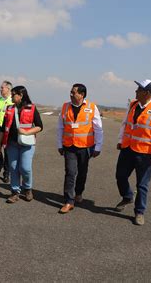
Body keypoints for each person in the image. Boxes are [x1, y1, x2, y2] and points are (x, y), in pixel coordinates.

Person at [114, 79, 151, 226]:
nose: (136, 92)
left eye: (139, 90)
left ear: (147, 93)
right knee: (120, 176)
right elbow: (125, 123)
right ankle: (127, 196)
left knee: (142, 184)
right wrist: (120, 139)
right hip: (127, 149)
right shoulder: (132, 105)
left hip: (144, 153)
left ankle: (139, 212)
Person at [57, 83, 103, 214]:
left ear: (81, 95)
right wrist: (59, 145)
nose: (71, 94)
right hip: (69, 146)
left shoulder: (92, 107)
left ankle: (78, 193)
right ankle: (68, 201)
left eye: (73, 92)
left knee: (82, 173)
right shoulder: (65, 107)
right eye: (70, 92)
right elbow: (60, 127)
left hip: (85, 147)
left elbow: (98, 129)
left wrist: (98, 146)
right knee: (70, 172)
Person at [0, 86, 43, 203]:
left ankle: (27, 188)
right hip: (11, 143)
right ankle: (15, 192)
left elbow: (39, 126)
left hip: (27, 144)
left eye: (13, 95)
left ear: (21, 95)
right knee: (13, 168)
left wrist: (27, 132)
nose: (11, 96)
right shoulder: (9, 108)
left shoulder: (32, 108)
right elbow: (3, 128)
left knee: (25, 168)